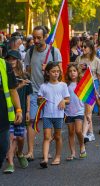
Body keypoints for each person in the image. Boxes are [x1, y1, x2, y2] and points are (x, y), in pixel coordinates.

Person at [24, 26, 62, 161]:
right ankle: (30, 152)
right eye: (34, 37)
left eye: (39, 37)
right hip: (35, 92)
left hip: (51, 92)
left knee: (49, 122)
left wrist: (48, 69)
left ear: (45, 37)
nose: (36, 40)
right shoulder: (29, 52)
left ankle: (46, 150)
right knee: (32, 120)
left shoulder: (53, 51)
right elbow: (27, 71)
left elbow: (60, 72)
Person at [3, 50, 32, 173]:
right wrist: (19, 85)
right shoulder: (4, 74)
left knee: (20, 138)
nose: (11, 61)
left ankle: (19, 153)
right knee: (10, 137)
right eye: (9, 59)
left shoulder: (25, 75)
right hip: (8, 110)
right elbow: (11, 90)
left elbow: (28, 95)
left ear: (18, 60)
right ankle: (10, 163)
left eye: (14, 59)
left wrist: (27, 111)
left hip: (22, 110)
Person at [38, 62, 70, 168]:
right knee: (46, 136)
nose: (56, 73)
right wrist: (40, 100)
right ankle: (45, 158)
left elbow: (68, 99)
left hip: (59, 115)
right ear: (47, 72)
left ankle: (58, 156)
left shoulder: (63, 85)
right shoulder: (43, 86)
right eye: (53, 71)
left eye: (57, 71)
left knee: (57, 136)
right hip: (47, 115)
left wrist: (64, 101)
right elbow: (39, 101)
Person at [75, 40, 100, 142]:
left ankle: (83, 135)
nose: (82, 48)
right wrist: (79, 69)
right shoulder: (78, 58)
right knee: (87, 111)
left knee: (88, 111)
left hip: (93, 85)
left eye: (85, 47)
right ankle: (90, 133)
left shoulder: (97, 61)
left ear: (91, 48)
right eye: (81, 47)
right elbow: (74, 73)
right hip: (81, 86)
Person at [0, 58, 23, 169]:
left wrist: (18, 109)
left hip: (3, 115)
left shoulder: (4, 65)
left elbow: (13, 89)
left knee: (3, 147)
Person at [65, 63, 88, 161]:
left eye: (74, 71)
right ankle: (73, 153)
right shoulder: (66, 85)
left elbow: (87, 98)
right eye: (70, 71)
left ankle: (82, 146)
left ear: (78, 72)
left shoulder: (81, 84)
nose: (72, 73)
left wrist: (88, 113)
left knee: (78, 131)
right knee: (70, 132)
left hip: (79, 110)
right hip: (68, 112)